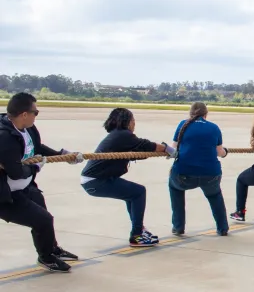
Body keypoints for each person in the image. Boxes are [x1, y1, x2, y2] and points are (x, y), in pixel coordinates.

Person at [0, 92, 83, 273]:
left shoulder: (28, 129)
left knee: (43, 215)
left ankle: (52, 249)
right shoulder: (5, 137)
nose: (36, 115)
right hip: (6, 194)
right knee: (43, 220)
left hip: (25, 186)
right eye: (35, 112)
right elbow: (15, 172)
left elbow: (37, 149)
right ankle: (46, 258)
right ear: (24, 114)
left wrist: (62, 154)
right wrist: (36, 167)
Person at [80, 108, 177, 247]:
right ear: (127, 121)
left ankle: (139, 230)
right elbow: (146, 145)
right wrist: (167, 148)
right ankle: (137, 235)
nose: (134, 124)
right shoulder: (123, 135)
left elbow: (137, 152)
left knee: (132, 194)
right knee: (138, 192)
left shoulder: (117, 135)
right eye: (133, 120)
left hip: (95, 180)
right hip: (96, 181)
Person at [168, 102, 229, 236]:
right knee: (215, 195)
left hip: (184, 174)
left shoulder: (183, 125)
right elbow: (220, 152)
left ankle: (178, 226)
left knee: (175, 188)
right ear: (206, 114)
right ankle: (222, 228)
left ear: (191, 113)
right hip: (211, 173)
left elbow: (173, 149)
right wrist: (226, 152)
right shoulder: (214, 127)